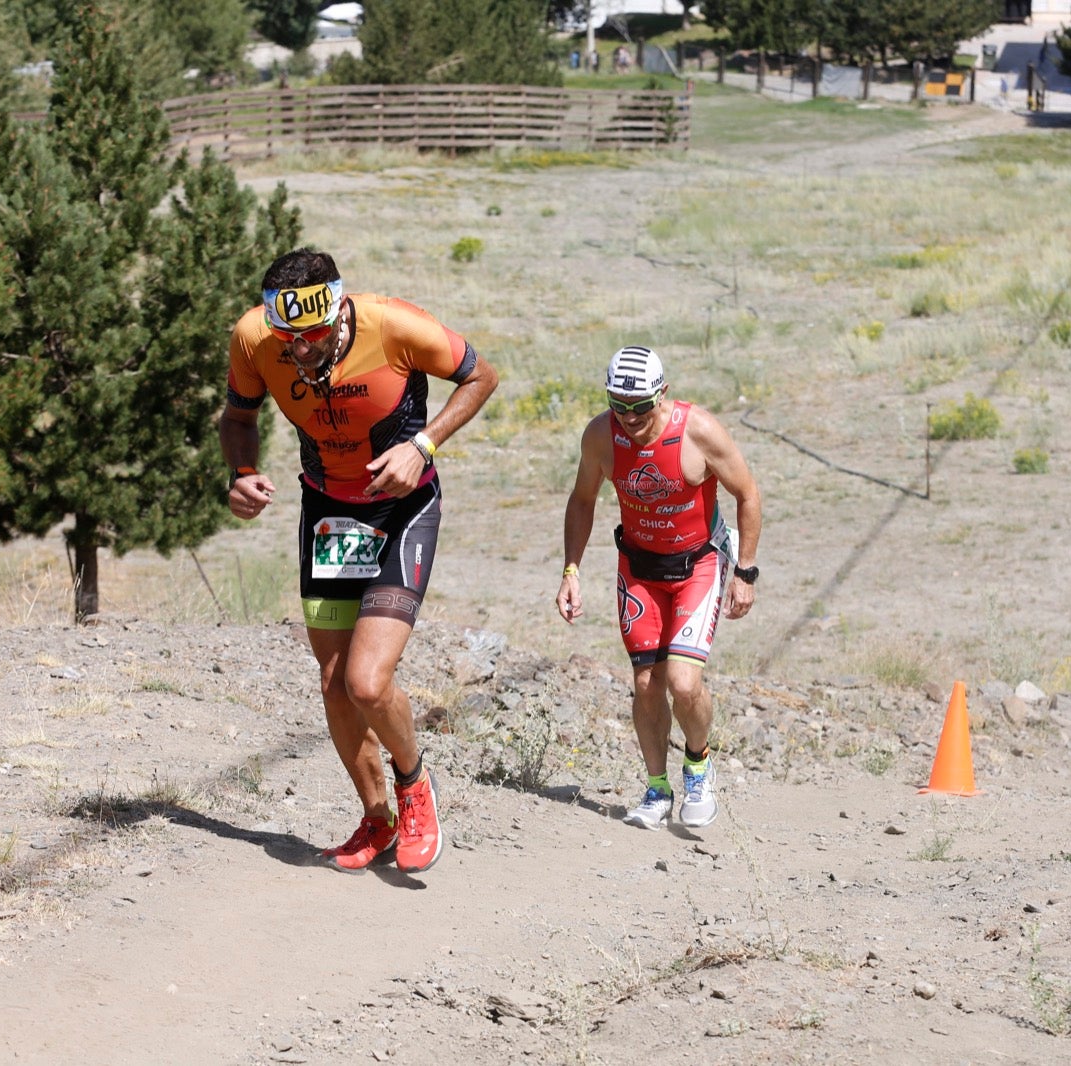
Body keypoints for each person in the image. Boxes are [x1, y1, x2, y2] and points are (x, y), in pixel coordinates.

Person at [220, 248, 499, 873]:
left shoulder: (394, 326)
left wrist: (423, 446)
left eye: (315, 334)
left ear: (339, 308)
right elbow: (237, 417)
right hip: (327, 514)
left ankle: (414, 785)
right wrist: (240, 472)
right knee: (334, 683)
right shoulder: (253, 337)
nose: (301, 350)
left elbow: (484, 376)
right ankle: (378, 819)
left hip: (403, 509)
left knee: (368, 682)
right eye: (288, 338)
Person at [555, 345, 762, 831]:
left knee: (683, 682)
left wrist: (746, 572)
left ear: (662, 394)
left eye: (640, 408)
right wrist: (571, 570)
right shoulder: (600, 436)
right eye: (618, 406)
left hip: (698, 567)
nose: (628, 419)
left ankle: (698, 765)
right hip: (639, 569)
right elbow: (582, 500)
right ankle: (657, 787)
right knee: (646, 684)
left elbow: (747, 494)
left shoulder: (698, 431)